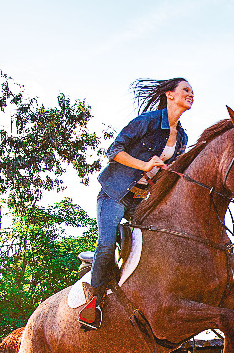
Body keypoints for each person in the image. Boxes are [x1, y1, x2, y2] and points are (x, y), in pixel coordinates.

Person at [81, 77, 194, 329]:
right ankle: (94, 302)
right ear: (169, 95)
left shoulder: (183, 137)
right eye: (185, 90)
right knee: (107, 243)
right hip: (115, 192)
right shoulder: (147, 122)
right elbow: (114, 151)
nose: (190, 94)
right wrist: (144, 164)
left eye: (192, 91)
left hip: (141, 200)